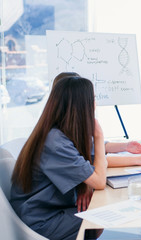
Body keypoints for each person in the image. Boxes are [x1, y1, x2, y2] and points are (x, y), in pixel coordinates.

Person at [10, 76, 107, 239]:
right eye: (94, 99)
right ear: (82, 105)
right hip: (41, 222)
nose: (96, 105)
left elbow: (95, 167)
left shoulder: (62, 134)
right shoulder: (54, 142)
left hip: (50, 212)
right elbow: (99, 181)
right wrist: (99, 135)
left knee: (100, 210)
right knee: (101, 215)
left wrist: (86, 184)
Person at [53, 72, 141, 167]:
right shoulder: (58, 137)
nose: (94, 103)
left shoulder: (71, 124)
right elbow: (93, 161)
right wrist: (139, 160)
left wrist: (126, 146)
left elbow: (96, 147)